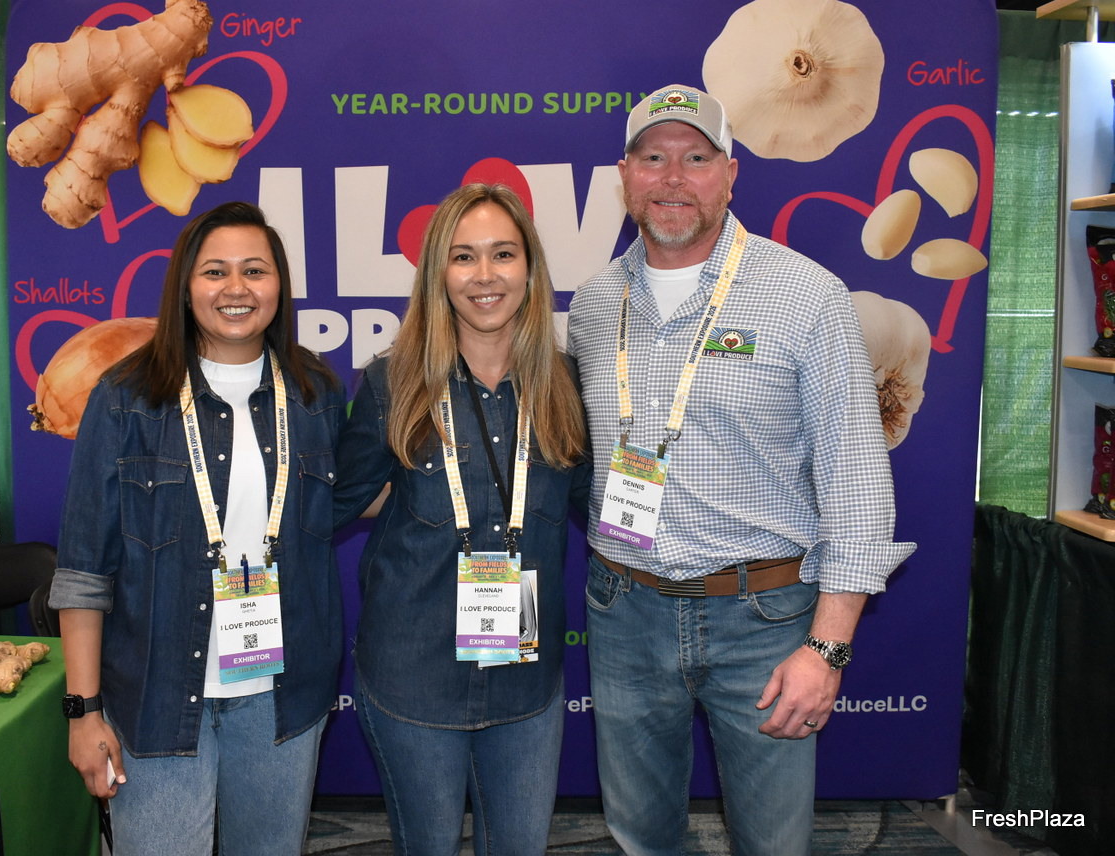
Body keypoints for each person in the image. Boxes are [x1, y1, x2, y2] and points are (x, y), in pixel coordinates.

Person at [566, 85, 916, 856]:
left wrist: (827, 648)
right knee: (640, 835)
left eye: (696, 158)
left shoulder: (806, 295)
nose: (672, 178)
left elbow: (858, 479)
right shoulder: (593, 305)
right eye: (653, 158)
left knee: (772, 842)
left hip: (763, 617)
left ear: (730, 174)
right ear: (625, 176)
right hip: (625, 609)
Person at [49, 201, 345, 854]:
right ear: (185, 286)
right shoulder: (126, 397)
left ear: (279, 285)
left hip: (280, 698)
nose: (236, 288)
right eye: (215, 271)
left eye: (254, 270)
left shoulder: (315, 392)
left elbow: (348, 503)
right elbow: (83, 570)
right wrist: (84, 711)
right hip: (156, 697)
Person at [335, 183, 590, 854]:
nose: (485, 275)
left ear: (529, 269)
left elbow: (602, 509)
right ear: (438, 274)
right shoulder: (392, 383)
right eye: (463, 256)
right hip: (413, 679)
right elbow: (330, 502)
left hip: (527, 683)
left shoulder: (567, 385)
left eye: (503, 254)